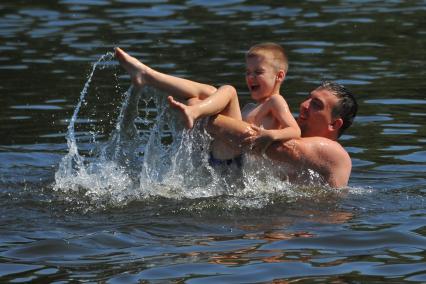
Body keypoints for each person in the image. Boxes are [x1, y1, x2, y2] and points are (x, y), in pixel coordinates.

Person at [115, 47, 358, 188]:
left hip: (291, 218)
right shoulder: (283, 120)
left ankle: (159, 85)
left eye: (316, 105)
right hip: (236, 183)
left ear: (334, 124)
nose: (304, 105)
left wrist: (210, 121)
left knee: (221, 94)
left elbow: (270, 146)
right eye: (308, 98)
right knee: (212, 93)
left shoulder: (333, 152)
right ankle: (147, 75)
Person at [166, 43, 300, 157]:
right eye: (248, 72)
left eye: (258, 72)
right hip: (228, 158)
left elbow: (295, 130)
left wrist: (271, 135)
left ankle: (193, 111)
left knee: (229, 90)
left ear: (279, 76)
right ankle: (192, 109)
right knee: (195, 99)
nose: (250, 77)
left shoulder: (275, 101)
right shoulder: (249, 107)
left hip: (239, 159)